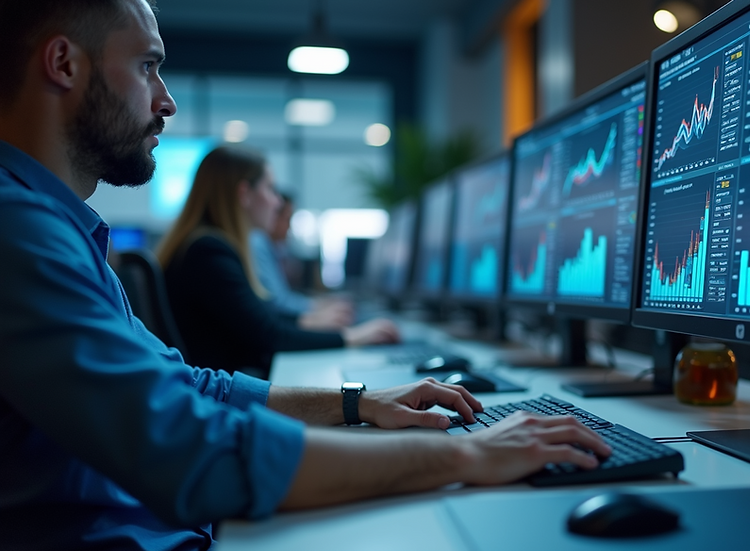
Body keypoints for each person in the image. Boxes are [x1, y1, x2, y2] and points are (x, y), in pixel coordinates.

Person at [0, 1, 611, 549]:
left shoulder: (59, 230)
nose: (166, 100)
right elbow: (192, 451)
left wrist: (360, 402)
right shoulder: (18, 231)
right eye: (146, 67)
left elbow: (192, 389)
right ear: (64, 63)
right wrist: (461, 453)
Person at [156, 145, 387, 375]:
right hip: (222, 394)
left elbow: (260, 317)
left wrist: (310, 320)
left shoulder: (204, 245)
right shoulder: (208, 252)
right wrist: (354, 336)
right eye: (270, 189)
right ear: (244, 194)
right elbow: (269, 335)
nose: (277, 203)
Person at [248, 191, 356, 327]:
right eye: (287, 219)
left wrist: (320, 305)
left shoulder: (275, 249)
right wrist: (317, 312)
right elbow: (277, 303)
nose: (290, 228)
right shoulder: (258, 242)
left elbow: (281, 298)